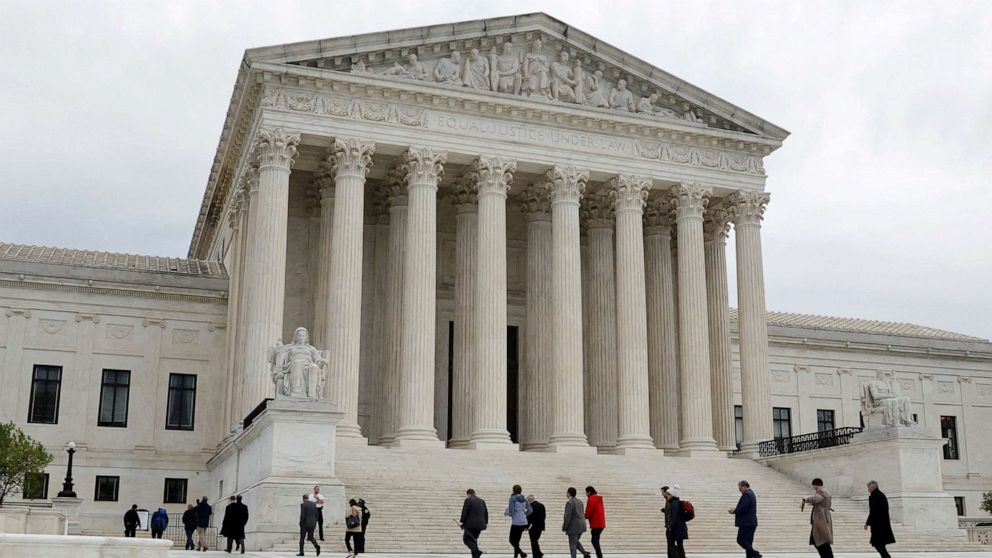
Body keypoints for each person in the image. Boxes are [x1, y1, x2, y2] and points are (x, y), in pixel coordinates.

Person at [802, 478, 834, 558]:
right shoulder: (825, 492)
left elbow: (815, 499)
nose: (813, 488)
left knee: (821, 542)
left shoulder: (822, 492)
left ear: (816, 485)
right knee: (819, 541)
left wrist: (806, 499)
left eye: (813, 486)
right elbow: (819, 502)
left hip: (821, 520)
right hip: (823, 519)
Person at [729, 481, 760, 558]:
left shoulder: (747, 495)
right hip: (751, 523)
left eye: (740, 488)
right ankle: (751, 556)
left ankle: (755, 554)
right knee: (748, 542)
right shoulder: (751, 493)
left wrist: (734, 511)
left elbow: (743, 508)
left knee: (740, 540)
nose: (739, 490)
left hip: (746, 523)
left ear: (745, 486)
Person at [865, 481, 895, 558]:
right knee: (879, 544)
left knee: (878, 544)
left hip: (879, 525)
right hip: (881, 524)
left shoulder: (876, 496)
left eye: (869, 488)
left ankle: (886, 557)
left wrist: (867, 523)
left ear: (873, 487)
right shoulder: (879, 495)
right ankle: (886, 556)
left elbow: (873, 511)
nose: (868, 490)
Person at [460, 488, 488, 558]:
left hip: (471, 525)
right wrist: (486, 522)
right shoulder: (482, 501)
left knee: (466, 539)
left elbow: (465, 512)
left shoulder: (468, 500)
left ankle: (476, 551)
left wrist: (462, 522)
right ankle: (475, 555)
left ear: (468, 494)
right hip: (480, 524)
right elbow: (486, 513)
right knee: (473, 540)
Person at [563, 487, 590, 558]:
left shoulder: (570, 503)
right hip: (582, 525)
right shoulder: (580, 501)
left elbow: (567, 517)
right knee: (575, 541)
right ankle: (585, 554)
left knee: (572, 544)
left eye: (567, 492)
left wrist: (565, 527)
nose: (566, 494)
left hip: (573, 526)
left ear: (569, 493)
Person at [505, 484, 531, 558]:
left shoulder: (512, 498)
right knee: (517, 541)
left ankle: (522, 553)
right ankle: (516, 556)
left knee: (511, 540)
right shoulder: (524, 499)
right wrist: (524, 515)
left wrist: (506, 513)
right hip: (524, 522)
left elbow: (511, 511)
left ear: (513, 490)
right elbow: (530, 510)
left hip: (516, 522)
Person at [663, 485, 688, 558]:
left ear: (671, 495)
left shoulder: (674, 503)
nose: (666, 495)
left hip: (676, 528)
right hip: (680, 528)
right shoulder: (676, 502)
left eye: (668, 494)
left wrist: (670, 526)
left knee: (672, 545)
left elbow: (674, 516)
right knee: (679, 545)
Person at [584, 487, 606, 558]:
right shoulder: (598, 499)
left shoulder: (591, 499)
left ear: (589, 492)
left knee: (594, 540)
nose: (586, 494)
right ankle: (599, 555)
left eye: (586, 492)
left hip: (596, 523)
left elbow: (588, 511)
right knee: (595, 540)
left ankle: (599, 556)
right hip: (601, 523)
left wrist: (584, 516)